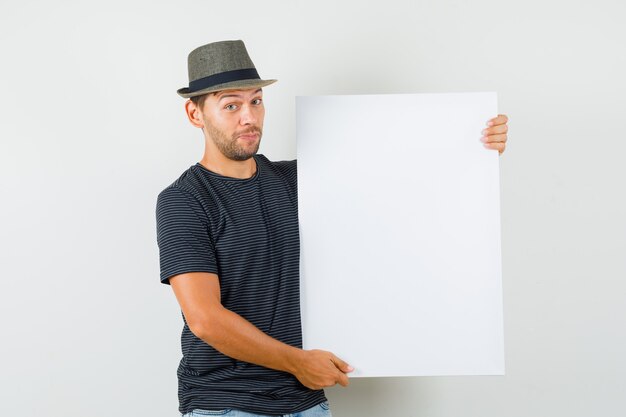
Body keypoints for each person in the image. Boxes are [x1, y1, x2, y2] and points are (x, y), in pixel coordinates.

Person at [156, 40, 509, 417]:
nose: (249, 117)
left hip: (305, 400)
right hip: (227, 402)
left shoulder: (299, 180)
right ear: (195, 114)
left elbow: (397, 176)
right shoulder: (184, 200)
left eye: (256, 101)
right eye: (231, 105)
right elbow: (206, 319)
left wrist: (475, 146)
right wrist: (297, 362)